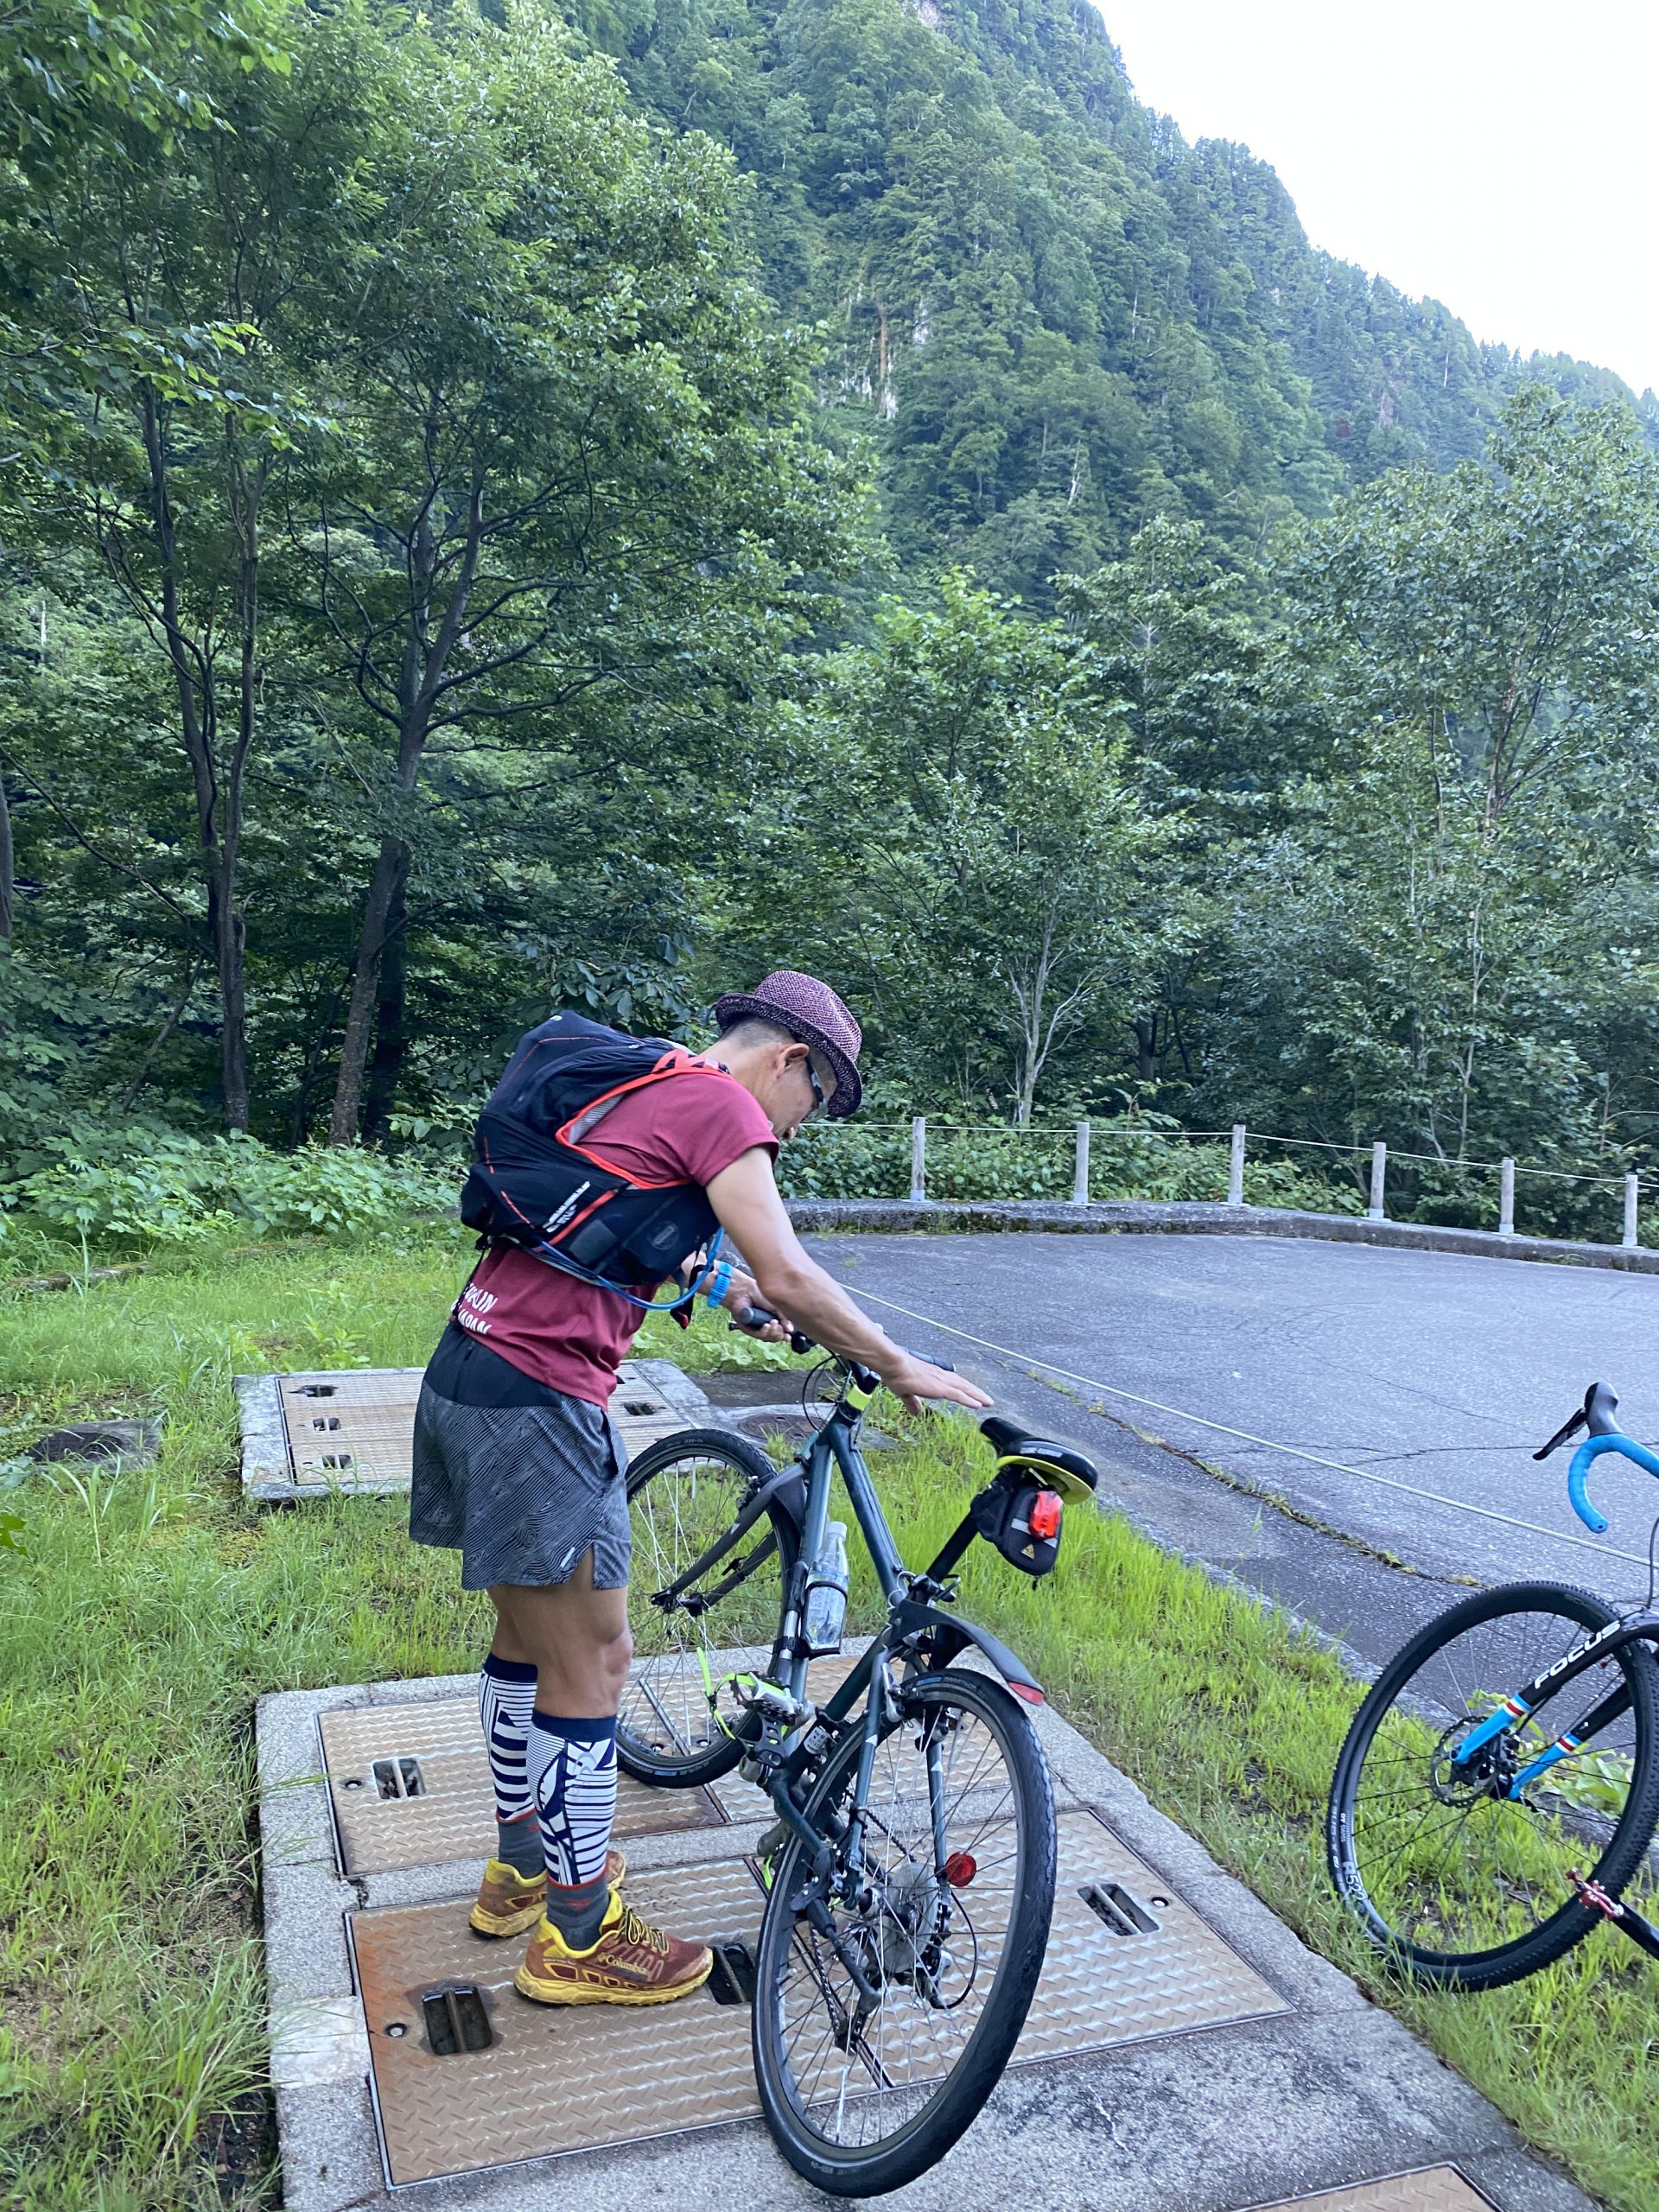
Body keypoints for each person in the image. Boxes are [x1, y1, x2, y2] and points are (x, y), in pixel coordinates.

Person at [409, 969, 990, 2006]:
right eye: (819, 1102)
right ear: (791, 1061)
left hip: (468, 1373)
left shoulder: (650, 1079)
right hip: (541, 1403)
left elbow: (627, 1224)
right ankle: (579, 1937)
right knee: (594, 1661)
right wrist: (901, 1362)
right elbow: (794, 1272)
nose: (801, 1130)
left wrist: (728, 1291)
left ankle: (522, 1870)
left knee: (526, 1643)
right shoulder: (726, 1104)